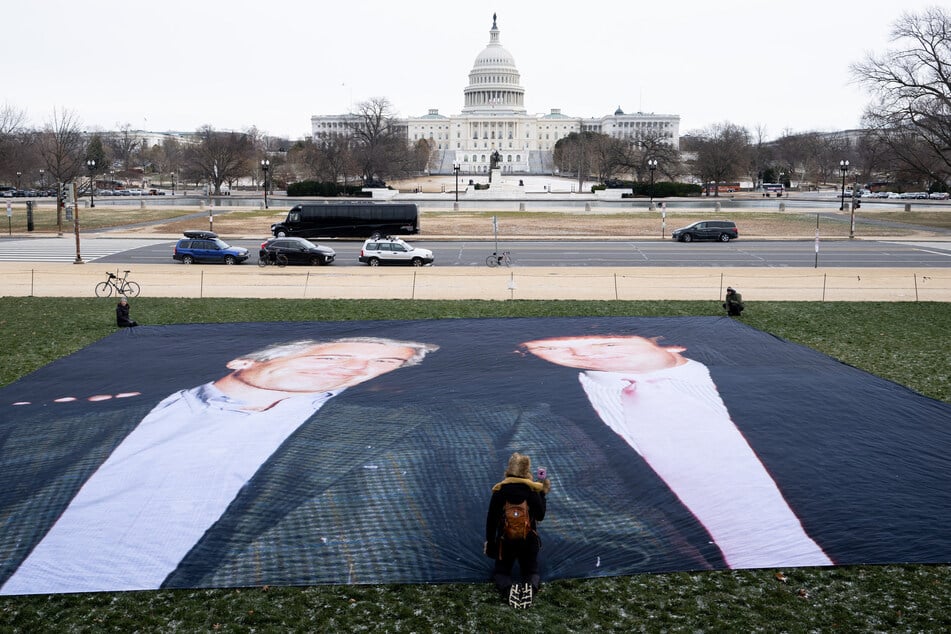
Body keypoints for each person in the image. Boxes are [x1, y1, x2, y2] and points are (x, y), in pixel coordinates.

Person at [0, 336, 439, 595]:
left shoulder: (388, 431)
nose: (356, 369)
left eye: (382, 364)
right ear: (244, 361)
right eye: (333, 357)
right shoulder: (73, 415)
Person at [519, 334, 832, 570]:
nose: (580, 353)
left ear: (671, 345)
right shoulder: (540, 412)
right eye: (552, 350)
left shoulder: (780, 387)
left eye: (607, 344)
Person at [485, 452, 550, 608]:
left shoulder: (499, 491)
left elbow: (491, 521)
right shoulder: (532, 491)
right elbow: (540, 516)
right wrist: (542, 493)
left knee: (501, 572)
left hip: (505, 541)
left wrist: (491, 545)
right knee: (531, 571)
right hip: (528, 540)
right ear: (526, 471)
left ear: (509, 469)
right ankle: (530, 587)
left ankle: (508, 589)